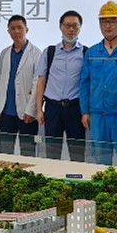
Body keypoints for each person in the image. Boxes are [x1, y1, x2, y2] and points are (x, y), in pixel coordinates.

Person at [80, 1, 117, 166]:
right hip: (97, 114)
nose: (108, 26)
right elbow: (84, 84)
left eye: (113, 21)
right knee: (100, 161)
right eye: (104, 21)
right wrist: (85, 111)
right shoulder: (92, 52)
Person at [35, 10, 87, 162]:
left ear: (80, 28)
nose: (71, 29)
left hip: (75, 108)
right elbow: (41, 81)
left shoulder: (86, 53)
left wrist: (86, 111)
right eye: (67, 25)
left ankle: (76, 177)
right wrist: (39, 110)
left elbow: (88, 84)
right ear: (60, 27)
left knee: (77, 154)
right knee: (52, 153)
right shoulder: (50, 52)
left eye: (75, 26)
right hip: (53, 108)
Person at [0, 14, 41, 156]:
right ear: (8, 31)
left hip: (27, 114)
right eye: (13, 28)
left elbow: (37, 84)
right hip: (6, 111)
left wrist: (31, 110)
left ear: (27, 29)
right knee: (5, 153)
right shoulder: (5, 53)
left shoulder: (36, 53)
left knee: (28, 153)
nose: (16, 31)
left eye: (20, 28)